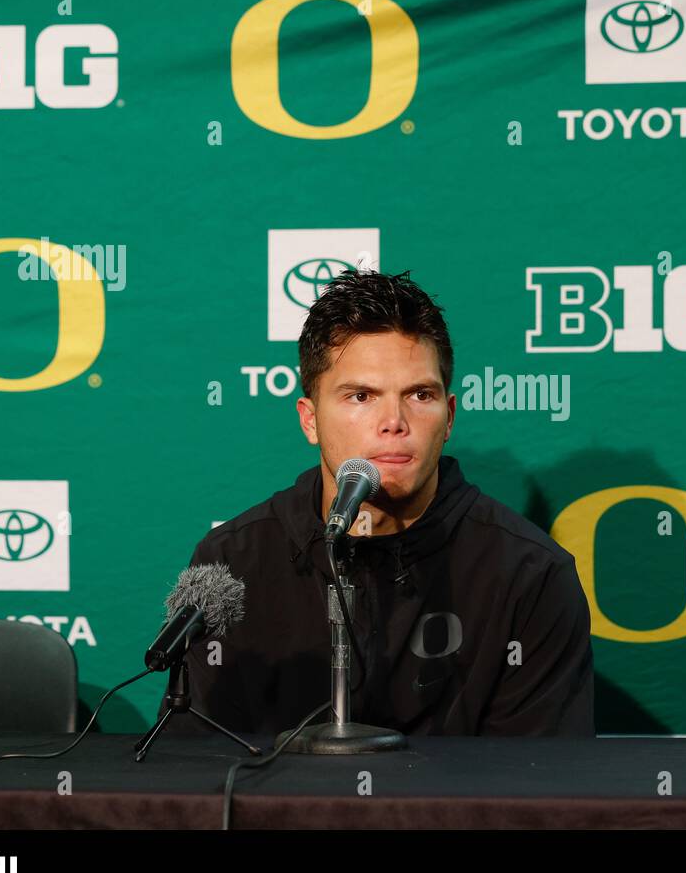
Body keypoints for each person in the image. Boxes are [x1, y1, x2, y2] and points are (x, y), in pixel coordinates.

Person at [156, 268, 594, 737]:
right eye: (361, 396)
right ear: (310, 420)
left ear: (448, 419)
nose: (393, 421)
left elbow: (535, 793)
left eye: (419, 395)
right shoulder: (230, 564)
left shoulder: (530, 577)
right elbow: (193, 774)